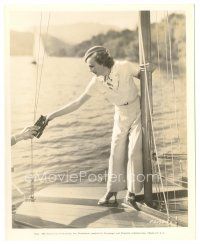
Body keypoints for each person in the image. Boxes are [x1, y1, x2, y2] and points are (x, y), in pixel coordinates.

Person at [45, 46, 155, 207]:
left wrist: (152, 69)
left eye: (92, 66)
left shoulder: (124, 66)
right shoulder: (96, 82)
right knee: (116, 153)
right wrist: (51, 115)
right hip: (121, 114)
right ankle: (112, 190)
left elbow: (145, 74)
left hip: (138, 110)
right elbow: (77, 103)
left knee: (134, 153)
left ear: (102, 62)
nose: (90, 70)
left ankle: (132, 193)